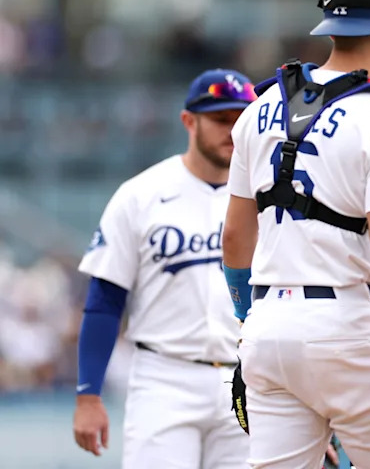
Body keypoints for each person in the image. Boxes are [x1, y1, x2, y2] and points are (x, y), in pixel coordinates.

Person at [222, 0, 370, 469]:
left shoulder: (259, 106)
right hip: (351, 329)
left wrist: (247, 319)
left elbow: (235, 237)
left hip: (267, 326)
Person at [72, 68, 256, 467]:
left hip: (249, 376)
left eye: (241, 119)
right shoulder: (140, 194)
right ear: (189, 121)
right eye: (221, 119)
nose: (232, 130)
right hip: (164, 377)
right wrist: (88, 395)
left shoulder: (268, 196)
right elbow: (104, 300)